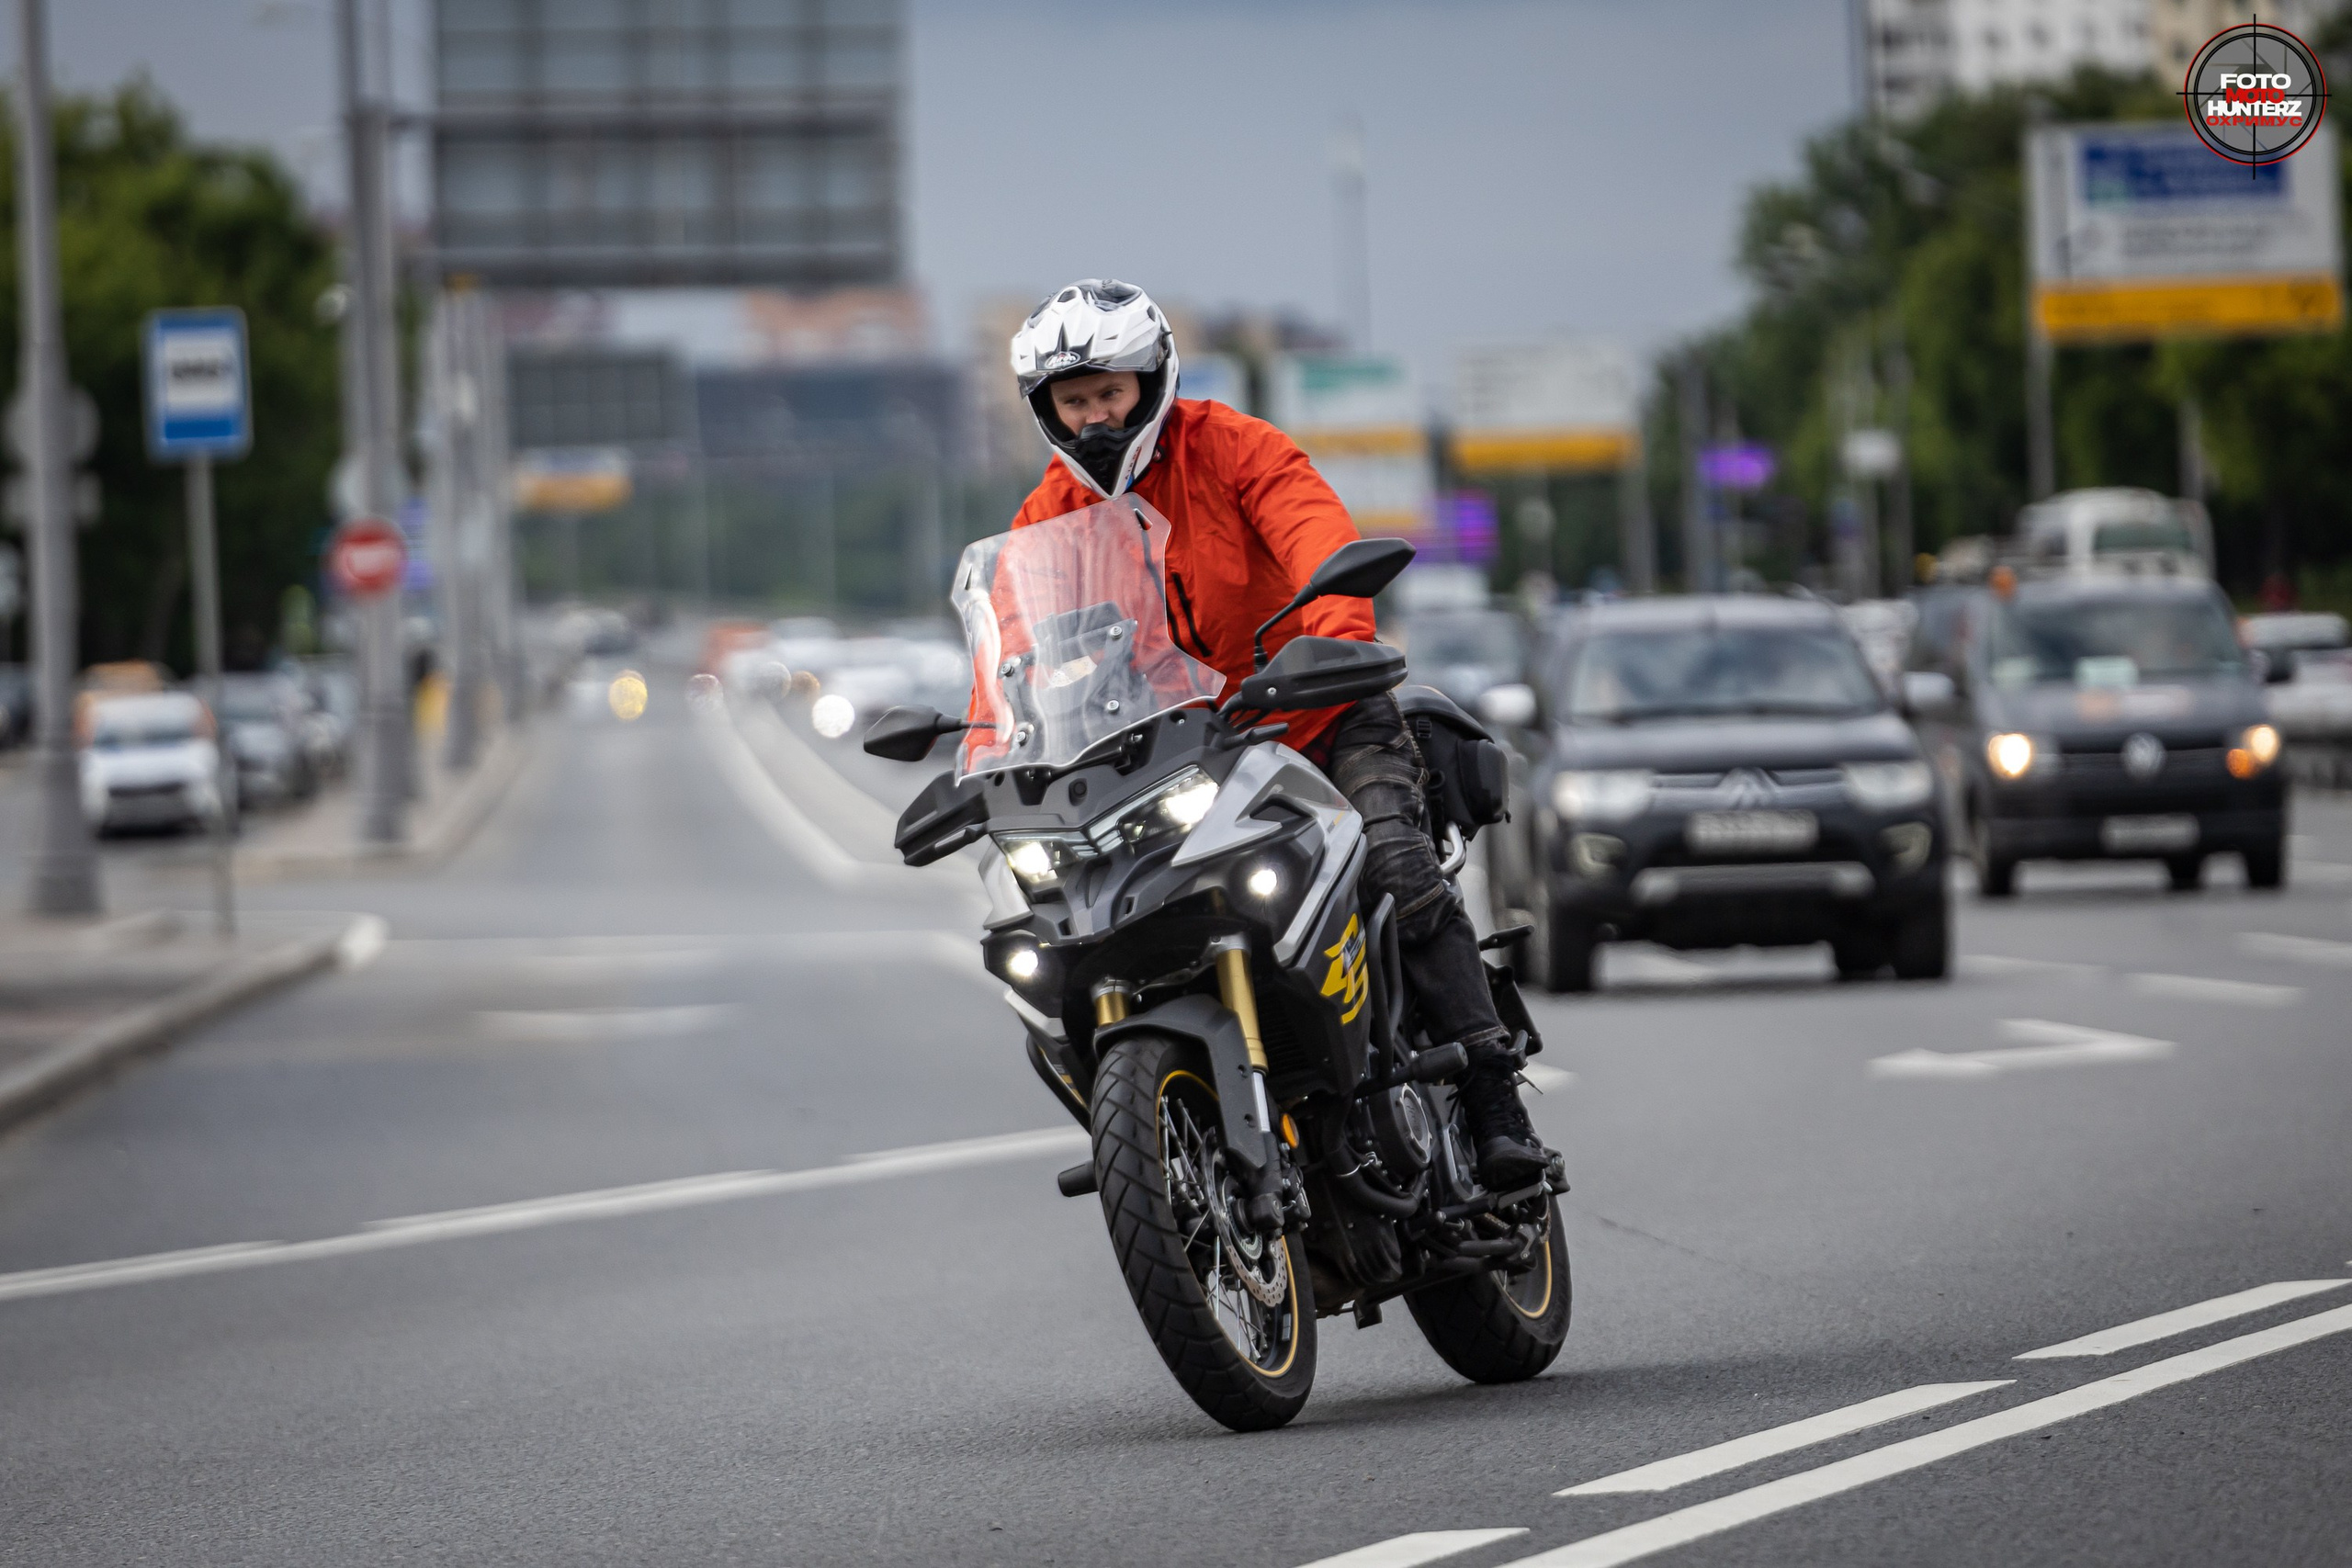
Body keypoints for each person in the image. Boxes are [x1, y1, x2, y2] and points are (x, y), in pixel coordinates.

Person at [1004, 278, 1550, 1189]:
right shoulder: (1046, 519)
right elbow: (1018, 644)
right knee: (1075, 931)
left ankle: (1494, 1094)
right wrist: (1007, 729)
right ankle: (1158, 1134)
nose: (1096, 416)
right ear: (1046, 410)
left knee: (1396, 867)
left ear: (1152, 380)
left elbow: (1316, 538)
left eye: (1111, 393)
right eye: (1075, 400)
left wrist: (1333, 642)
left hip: (1313, 716)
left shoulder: (1235, 448)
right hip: (1165, 765)